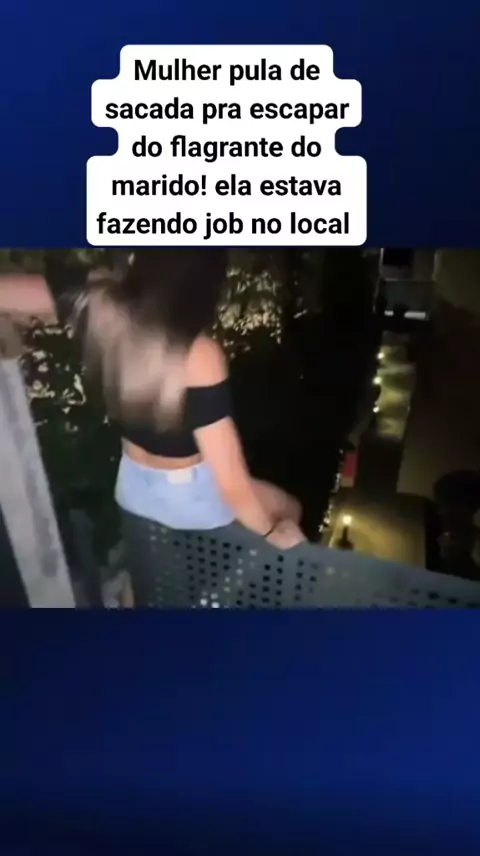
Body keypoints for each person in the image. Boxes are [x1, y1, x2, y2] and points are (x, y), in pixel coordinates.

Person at [0, 249, 305, 550]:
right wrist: (270, 533)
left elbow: (8, 292)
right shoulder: (199, 354)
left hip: (132, 487)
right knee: (289, 508)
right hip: (187, 499)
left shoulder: (101, 306)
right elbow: (232, 484)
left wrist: (8, 332)